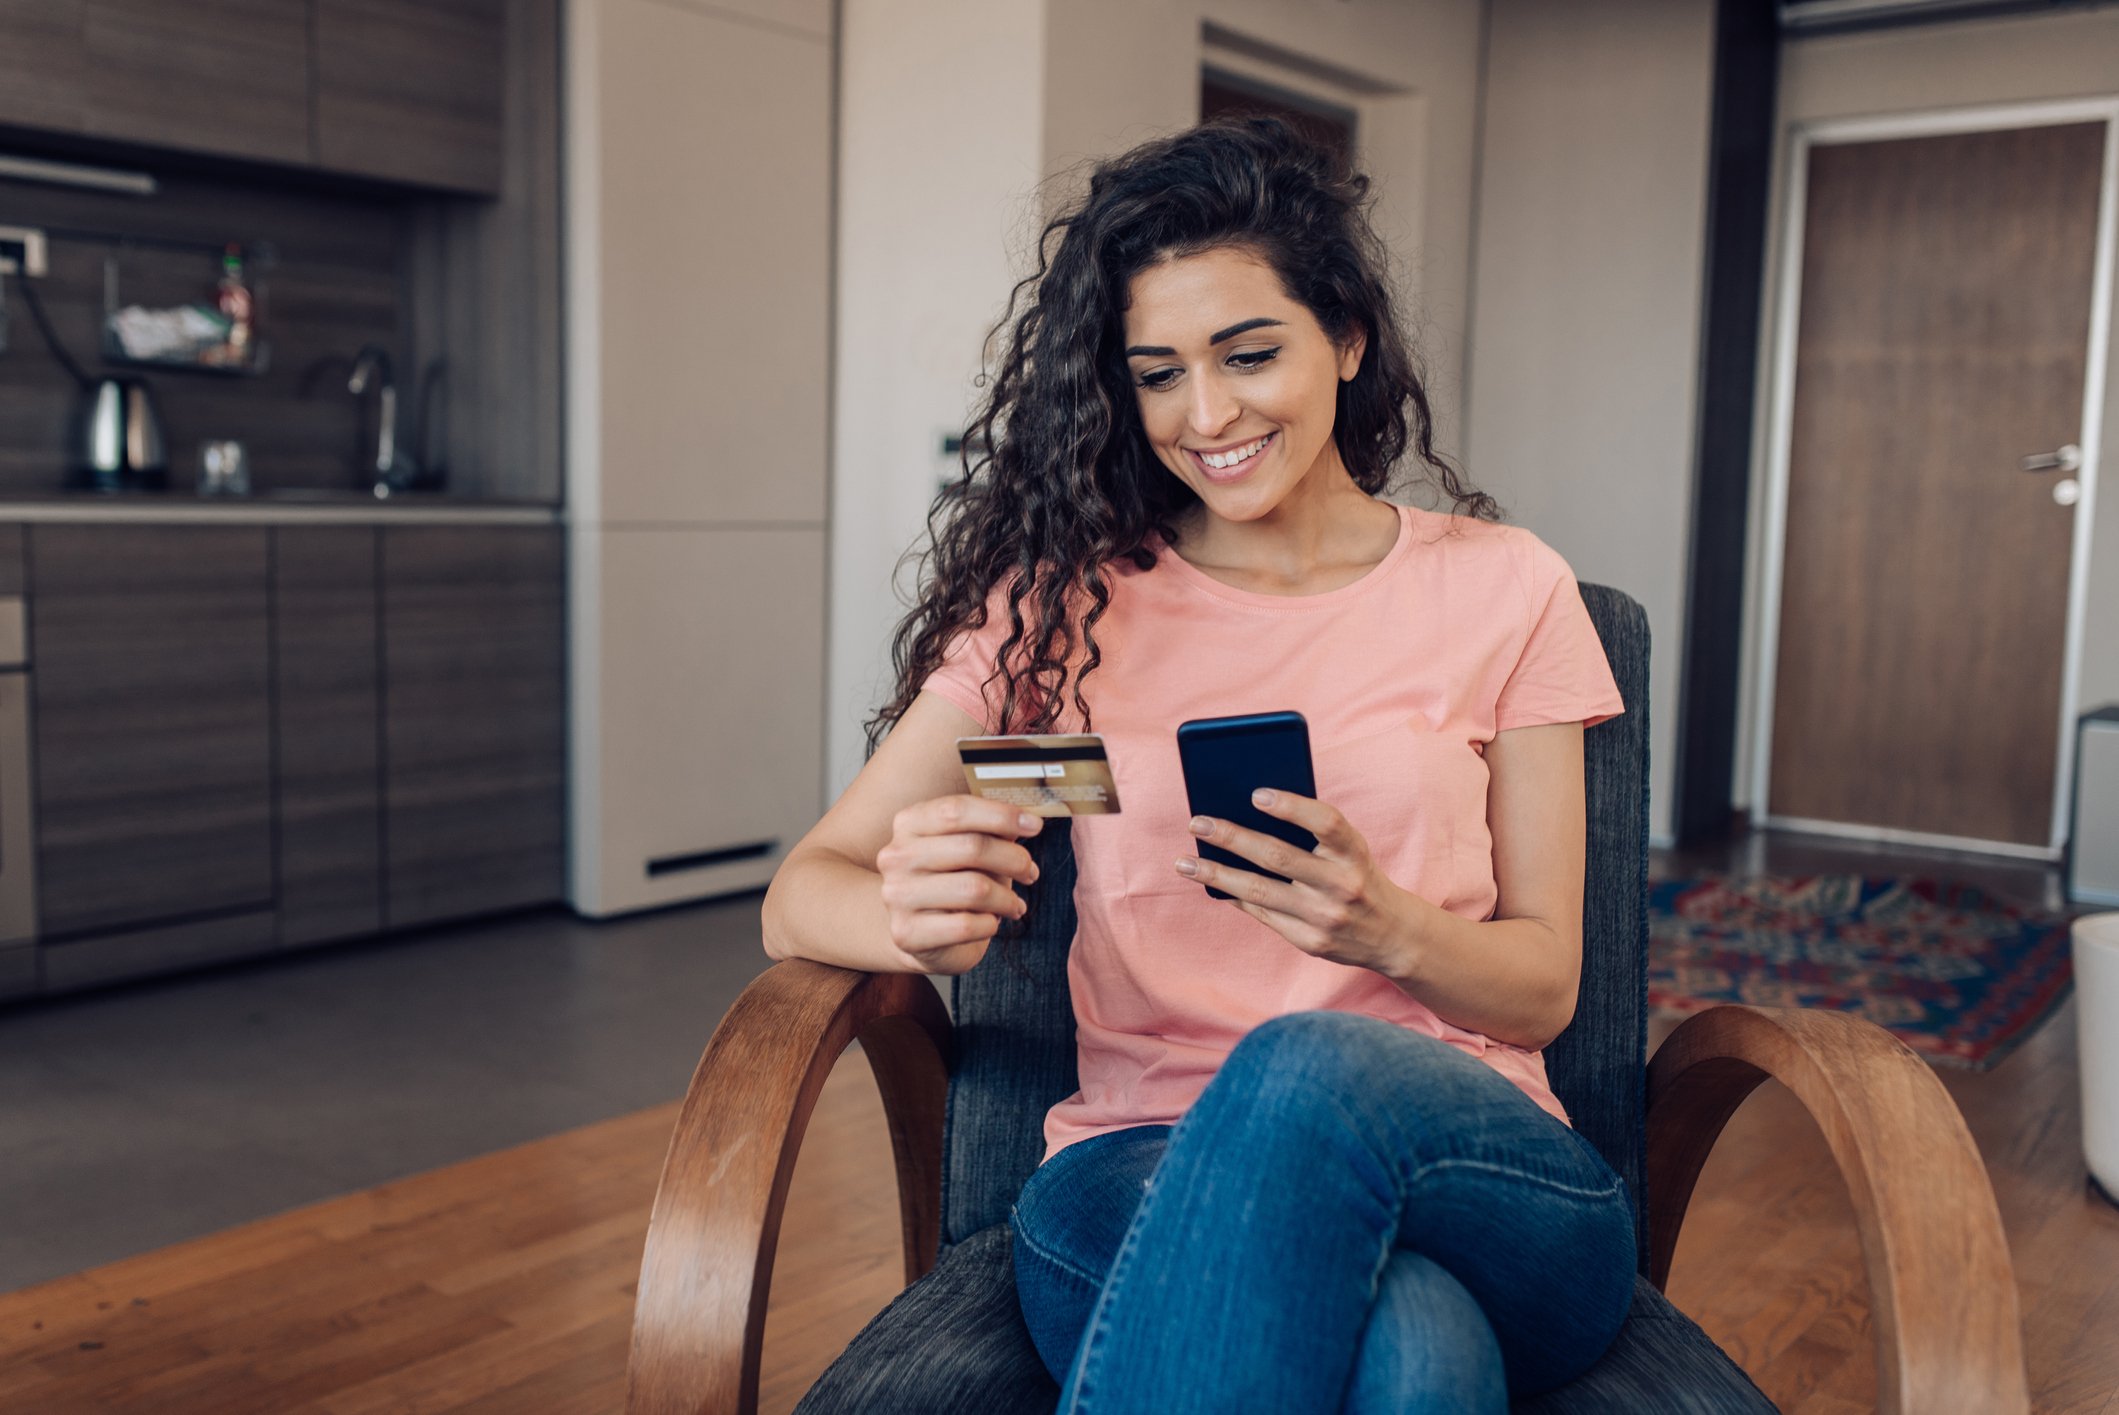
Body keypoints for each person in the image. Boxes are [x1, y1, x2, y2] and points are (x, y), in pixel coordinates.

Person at [761, 114, 1634, 1413]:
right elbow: (802, 892)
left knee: (1303, 1068)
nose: (1205, 413)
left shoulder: (1506, 590)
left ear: (1345, 338)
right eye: (1157, 371)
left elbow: (1543, 988)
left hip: (1481, 1163)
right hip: (1132, 1170)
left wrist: (1385, 928)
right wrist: (907, 909)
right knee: (1417, 1354)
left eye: (1249, 353)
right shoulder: (1069, 619)